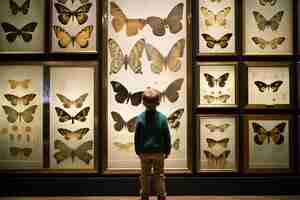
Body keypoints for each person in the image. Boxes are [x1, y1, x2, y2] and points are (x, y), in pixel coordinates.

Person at [134, 87, 171, 200]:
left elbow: (137, 137)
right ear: (158, 102)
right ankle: (161, 195)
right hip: (159, 152)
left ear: (143, 102)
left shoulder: (140, 118)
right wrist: (167, 150)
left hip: (144, 152)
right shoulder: (163, 118)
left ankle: (145, 195)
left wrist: (137, 150)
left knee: (145, 176)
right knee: (159, 175)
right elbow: (167, 136)